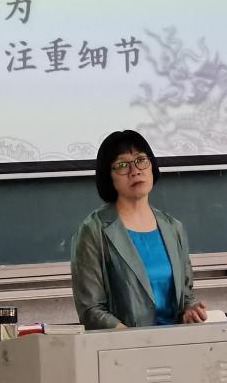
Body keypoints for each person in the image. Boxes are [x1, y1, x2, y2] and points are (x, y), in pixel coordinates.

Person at [70, 130, 208, 329]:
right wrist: (130, 337)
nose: (135, 171)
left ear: (152, 166)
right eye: (122, 165)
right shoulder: (93, 230)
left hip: (176, 341)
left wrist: (189, 310)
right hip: (122, 344)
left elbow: (186, 295)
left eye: (141, 160)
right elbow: (90, 309)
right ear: (108, 176)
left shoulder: (173, 227)